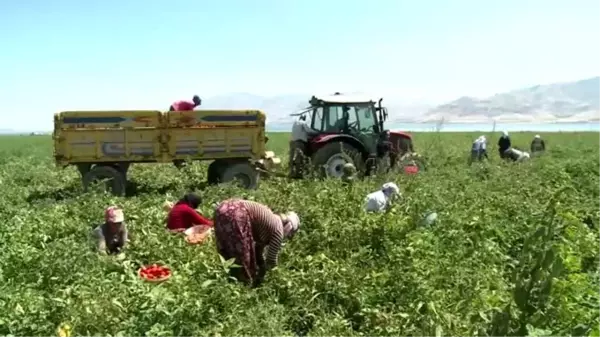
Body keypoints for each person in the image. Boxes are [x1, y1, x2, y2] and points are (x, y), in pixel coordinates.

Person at [213, 199, 300, 287]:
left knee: (226, 248)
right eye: (290, 234)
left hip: (222, 208)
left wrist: (261, 265)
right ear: (289, 228)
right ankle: (243, 286)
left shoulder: (270, 222)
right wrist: (271, 277)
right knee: (242, 256)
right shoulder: (278, 230)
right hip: (237, 212)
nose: (287, 237)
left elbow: (257, 250)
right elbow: (271, 260)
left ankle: (226, 279)